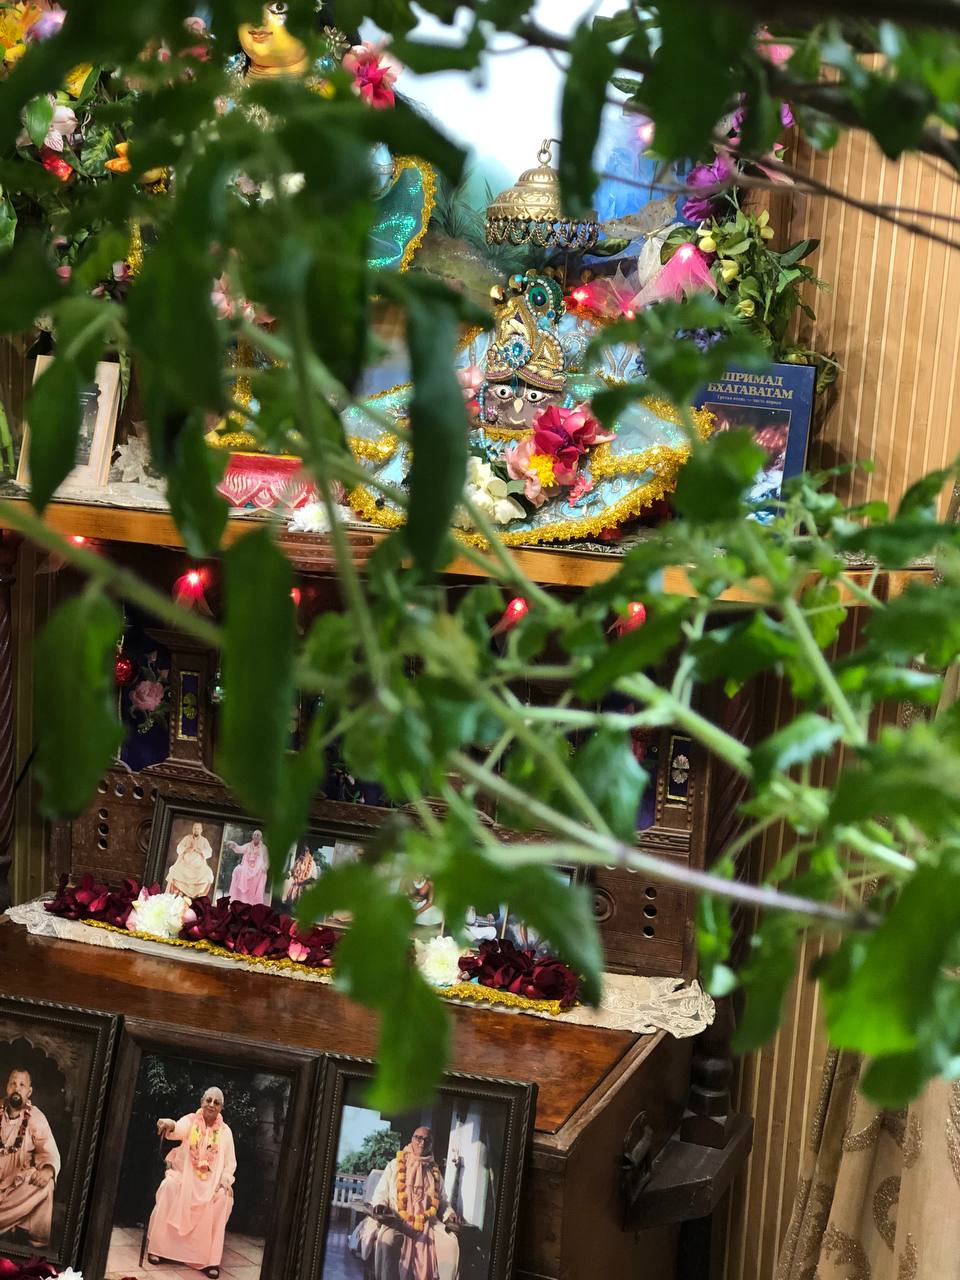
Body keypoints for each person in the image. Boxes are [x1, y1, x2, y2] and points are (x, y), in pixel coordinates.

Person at [146, 1086, 236, 1280]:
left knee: (223, 1198)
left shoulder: (225, 1132)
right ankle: (159, 1249)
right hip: (184, 1178)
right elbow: (177, 1130)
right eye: (208, 1100)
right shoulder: (190, 1120)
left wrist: (225, 1181)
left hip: (210, 1185)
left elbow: (230, 1164)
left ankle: (209, 1261)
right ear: (201, 1101)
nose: (211, 1104)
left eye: (216, 1102)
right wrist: (170, 1124)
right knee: (169, 1185)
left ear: (221, 1108)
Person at [352, 1127, 460, 1280]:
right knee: (387, 1241)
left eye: (427, 1140)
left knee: (450, 1245)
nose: (422, 1143)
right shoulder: (395, 1165)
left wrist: (450, 1214)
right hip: (398, 1220)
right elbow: (381, 1193)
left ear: (431, 1144)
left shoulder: (434, 1171)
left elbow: (442, 1202)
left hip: (427, 1224)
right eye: (418, 1138)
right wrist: (381, 1205)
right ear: (412, 1139)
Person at [0, 1067, 60, 1250]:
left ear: (29, 1091)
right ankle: (9, 1221)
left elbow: (48, 1150)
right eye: (13, 1083)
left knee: (46, 1185)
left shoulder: (36, 1117)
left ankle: (34, 1241)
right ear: (7, 1088)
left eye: (22, 1085)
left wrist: (48, 1170)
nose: (16, 1088)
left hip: (16, 1186)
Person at [165, 822, 215, 900]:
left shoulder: (204, 840)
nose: (196, 830)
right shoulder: (187, 838)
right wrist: (187, 849)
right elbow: (179, 848)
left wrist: (200, 850)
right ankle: (179, 894)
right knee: (174, 870)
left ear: (201, 830)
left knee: (208, 874)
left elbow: (209, 853)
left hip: (199, 867)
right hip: (184, 864)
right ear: (192, 829)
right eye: (195, 828)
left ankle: (197, 897)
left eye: (198, 828)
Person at [226, 830, 269, 906]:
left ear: (261, 837)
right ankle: (239, 899)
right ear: (252, 836)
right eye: (255, 835)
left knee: (259, 875)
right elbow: (240, 849)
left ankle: (251, 902)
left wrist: (264, 867)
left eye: (258, 835)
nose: (256, 836)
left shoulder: (264, 848)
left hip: (257, 870)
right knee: (237, 870)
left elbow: (266, 861)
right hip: (246, 868)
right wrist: (234, 845)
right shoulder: (248, 845)